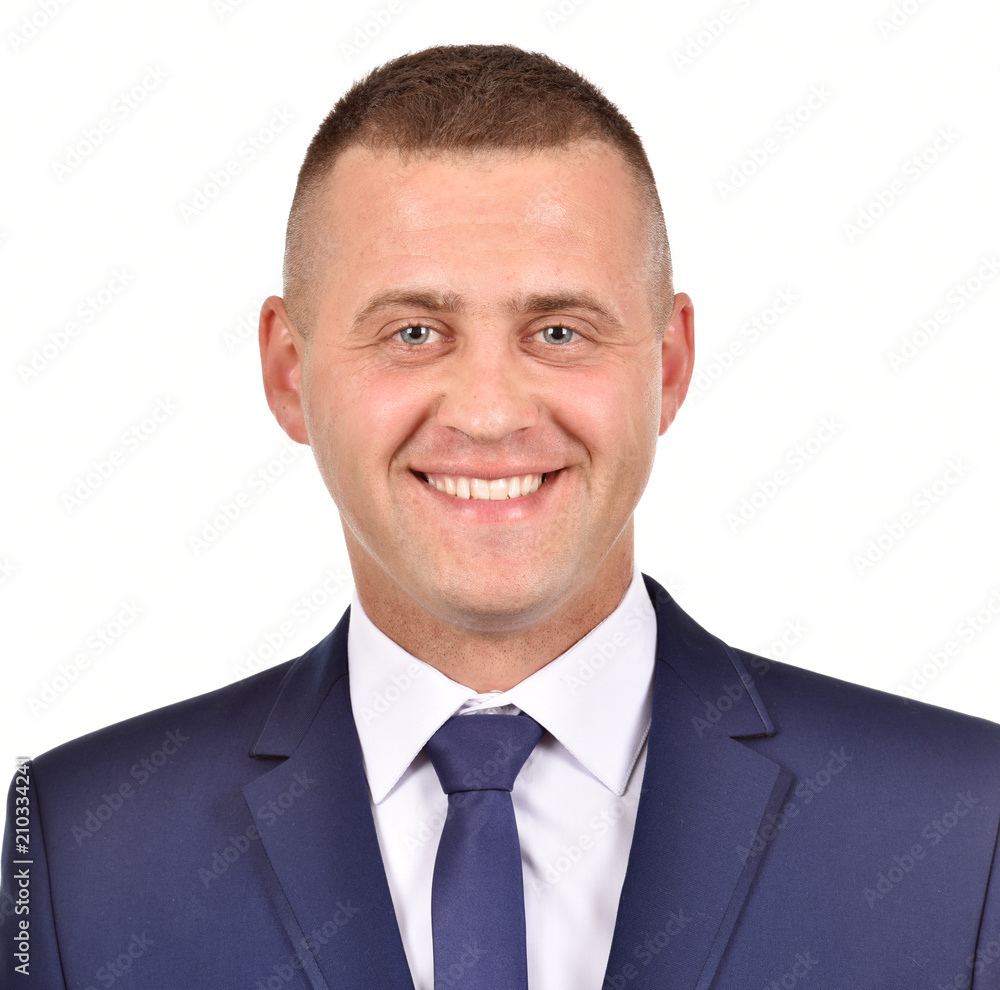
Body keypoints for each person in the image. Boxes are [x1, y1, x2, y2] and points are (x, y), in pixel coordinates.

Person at [3, 43, 1000, 990]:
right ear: (289, 372)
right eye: (413, 332)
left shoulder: (967, 826)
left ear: (668, 365)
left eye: (558, 331)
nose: (488, 413)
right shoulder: (77, 849)